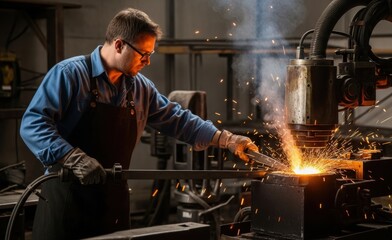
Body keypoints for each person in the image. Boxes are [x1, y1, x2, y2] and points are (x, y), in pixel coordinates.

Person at [20, 8, 258, 240]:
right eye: (143, 54)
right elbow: (32, 124)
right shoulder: (70, 74)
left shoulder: (140, 88)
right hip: (66, 204)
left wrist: (226, 139)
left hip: (112, 206)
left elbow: (179, 120)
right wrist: (72, 157)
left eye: (150, 55)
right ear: (119, 45)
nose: (147, 61)